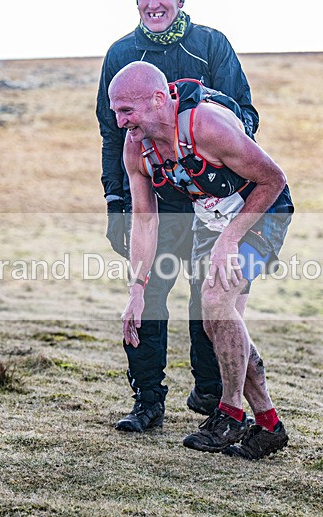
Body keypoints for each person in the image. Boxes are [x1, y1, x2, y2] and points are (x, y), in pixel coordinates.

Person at [112, 61, 294, 459]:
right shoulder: (136, 148)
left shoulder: (205, 126)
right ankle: (268, 425)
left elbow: (273, 179)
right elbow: (143, 220)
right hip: (210, 220)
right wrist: (137, 290)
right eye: (115, 111)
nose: (120, 120)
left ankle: (230, 413)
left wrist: (230, 239)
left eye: (127, 110)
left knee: (214, 303)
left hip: (260, 212)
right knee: (219, 321)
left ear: (159, 100)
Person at [96, 0, 260, 432]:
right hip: (155, 201)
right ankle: (147, 401)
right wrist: (117, 204)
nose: (154, 3)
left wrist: (200, 143)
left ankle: (210, 394)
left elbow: (246, 116)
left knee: (205, 298)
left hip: (210, 201)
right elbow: (113, 134)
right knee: (146, 294)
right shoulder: (120, 54)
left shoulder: (211, 45)